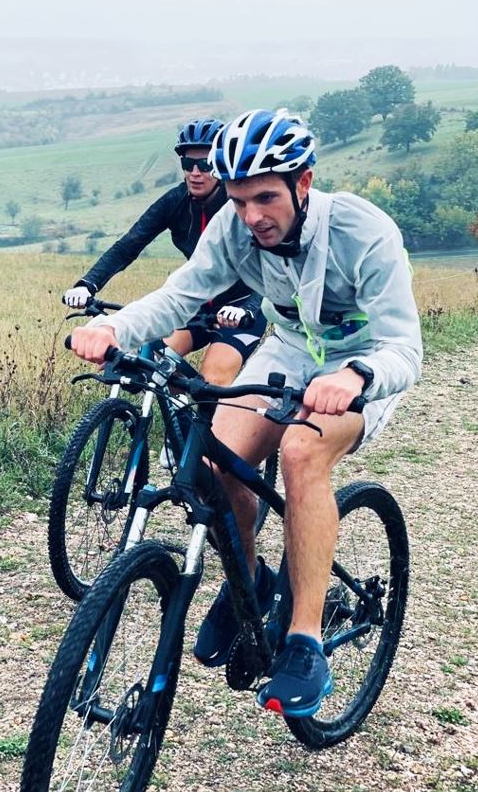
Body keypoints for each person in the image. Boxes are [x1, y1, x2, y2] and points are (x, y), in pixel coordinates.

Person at [69, 108, 422, 718]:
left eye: (265, 198)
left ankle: (304, 640)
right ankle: (251, 582)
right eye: (238, 200)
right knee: (214, 462)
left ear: (303, 183)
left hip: (363, 362)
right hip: (290, 350)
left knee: (301, 452)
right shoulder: (234, 231)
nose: (252, 215)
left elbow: (404, 347)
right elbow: (180, 294)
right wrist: (116, 328)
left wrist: (356, 377)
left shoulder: (363, 232)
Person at [63, 119, 267, 392]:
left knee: (212, 382)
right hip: (197, 304)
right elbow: (129, 245)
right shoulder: (175, 201)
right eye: (188, 164)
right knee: (157, 364)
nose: (195, 173)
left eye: (205, 164)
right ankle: (181, 418)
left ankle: (213, 416)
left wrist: (248, 308)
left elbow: (267, 268)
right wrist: (87, 283)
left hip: (240, 309)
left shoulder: (238, 207)